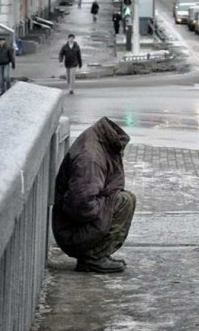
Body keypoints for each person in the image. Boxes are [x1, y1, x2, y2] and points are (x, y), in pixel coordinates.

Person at [52, 117, 136, 274]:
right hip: (73, 231)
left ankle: (97, 254)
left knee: (122, 199)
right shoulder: (91, 158)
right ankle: (93, 258)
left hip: (73, 226)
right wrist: (106, 209)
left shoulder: (99, 140)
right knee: (124, 201)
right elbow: (80, 205)